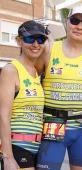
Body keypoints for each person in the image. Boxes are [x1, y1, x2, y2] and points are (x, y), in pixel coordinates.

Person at [35, 6, 82, 170]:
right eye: (75, 21)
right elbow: (31, 79)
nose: (79, 27)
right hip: (53, 123)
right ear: (66, 22)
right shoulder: (48, 49)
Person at [0, 20, 48, 170]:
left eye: (40, 39)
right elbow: (3, 116)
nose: (35, 44)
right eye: (29, 38)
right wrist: (8, 158)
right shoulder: (11, 70)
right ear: (18, 41)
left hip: (36, 148)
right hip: (18, 147)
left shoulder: (35, 72)